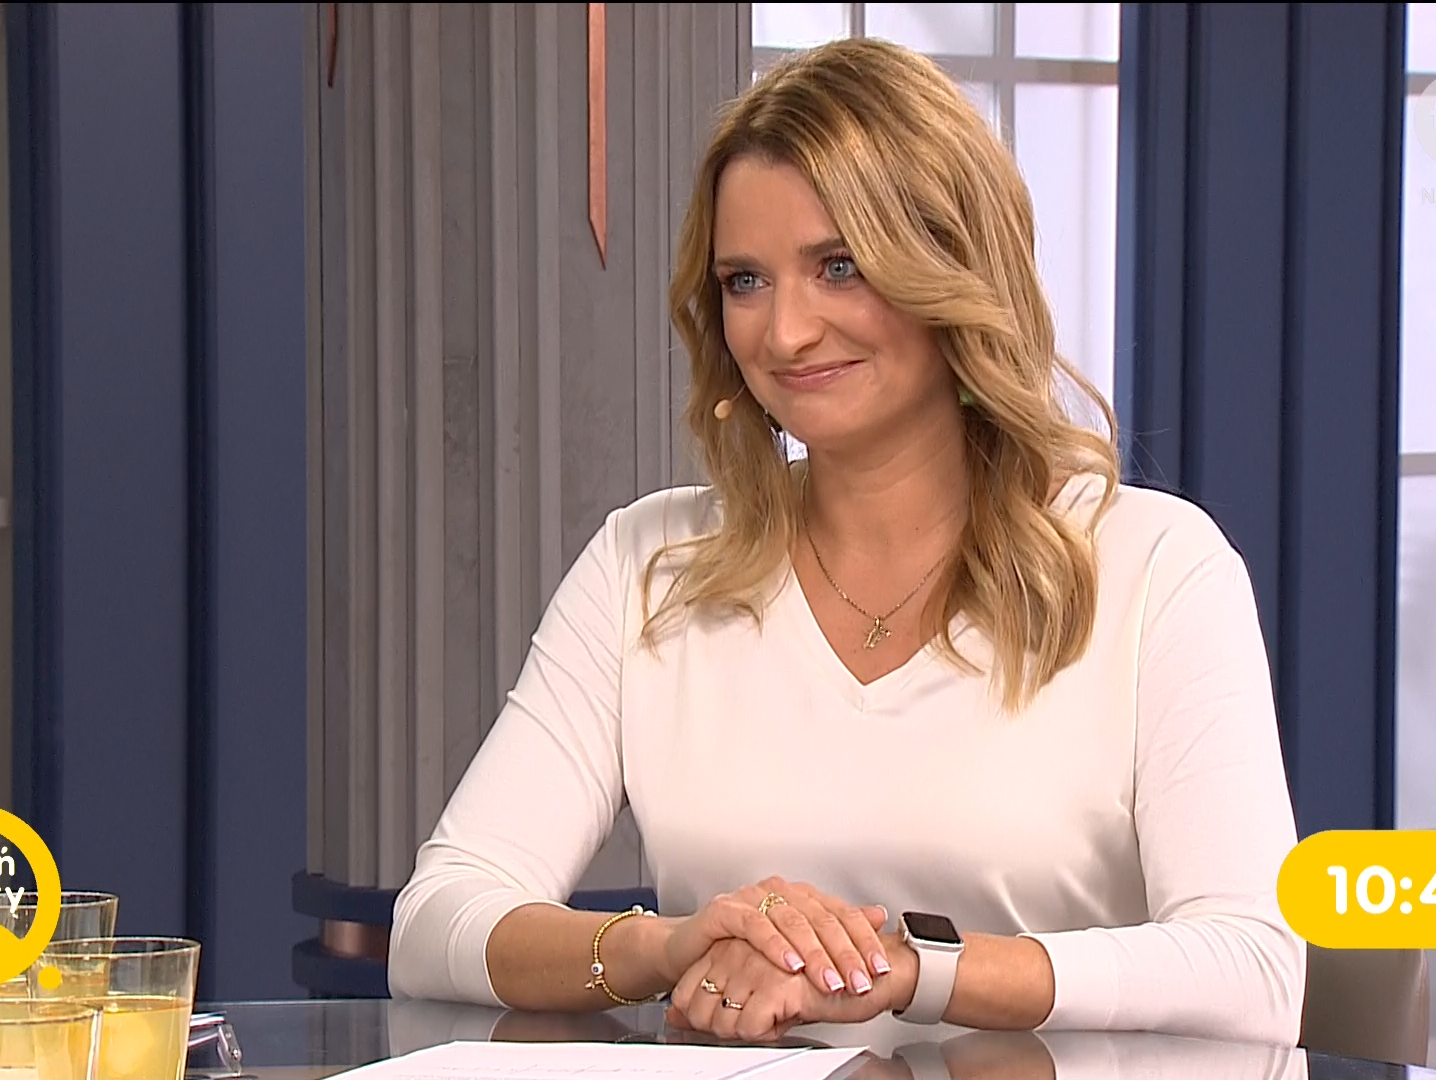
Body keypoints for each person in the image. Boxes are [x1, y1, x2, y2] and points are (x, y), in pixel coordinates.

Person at [388, 36, 1305, 1047]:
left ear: (954, 268)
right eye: (745, 281)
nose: (785, 333)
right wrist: (670, 946)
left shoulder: (1156, 567)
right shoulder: (647, 565)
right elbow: (435, 920)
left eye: (840, 267)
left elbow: (1254, 969)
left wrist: (912, 971)